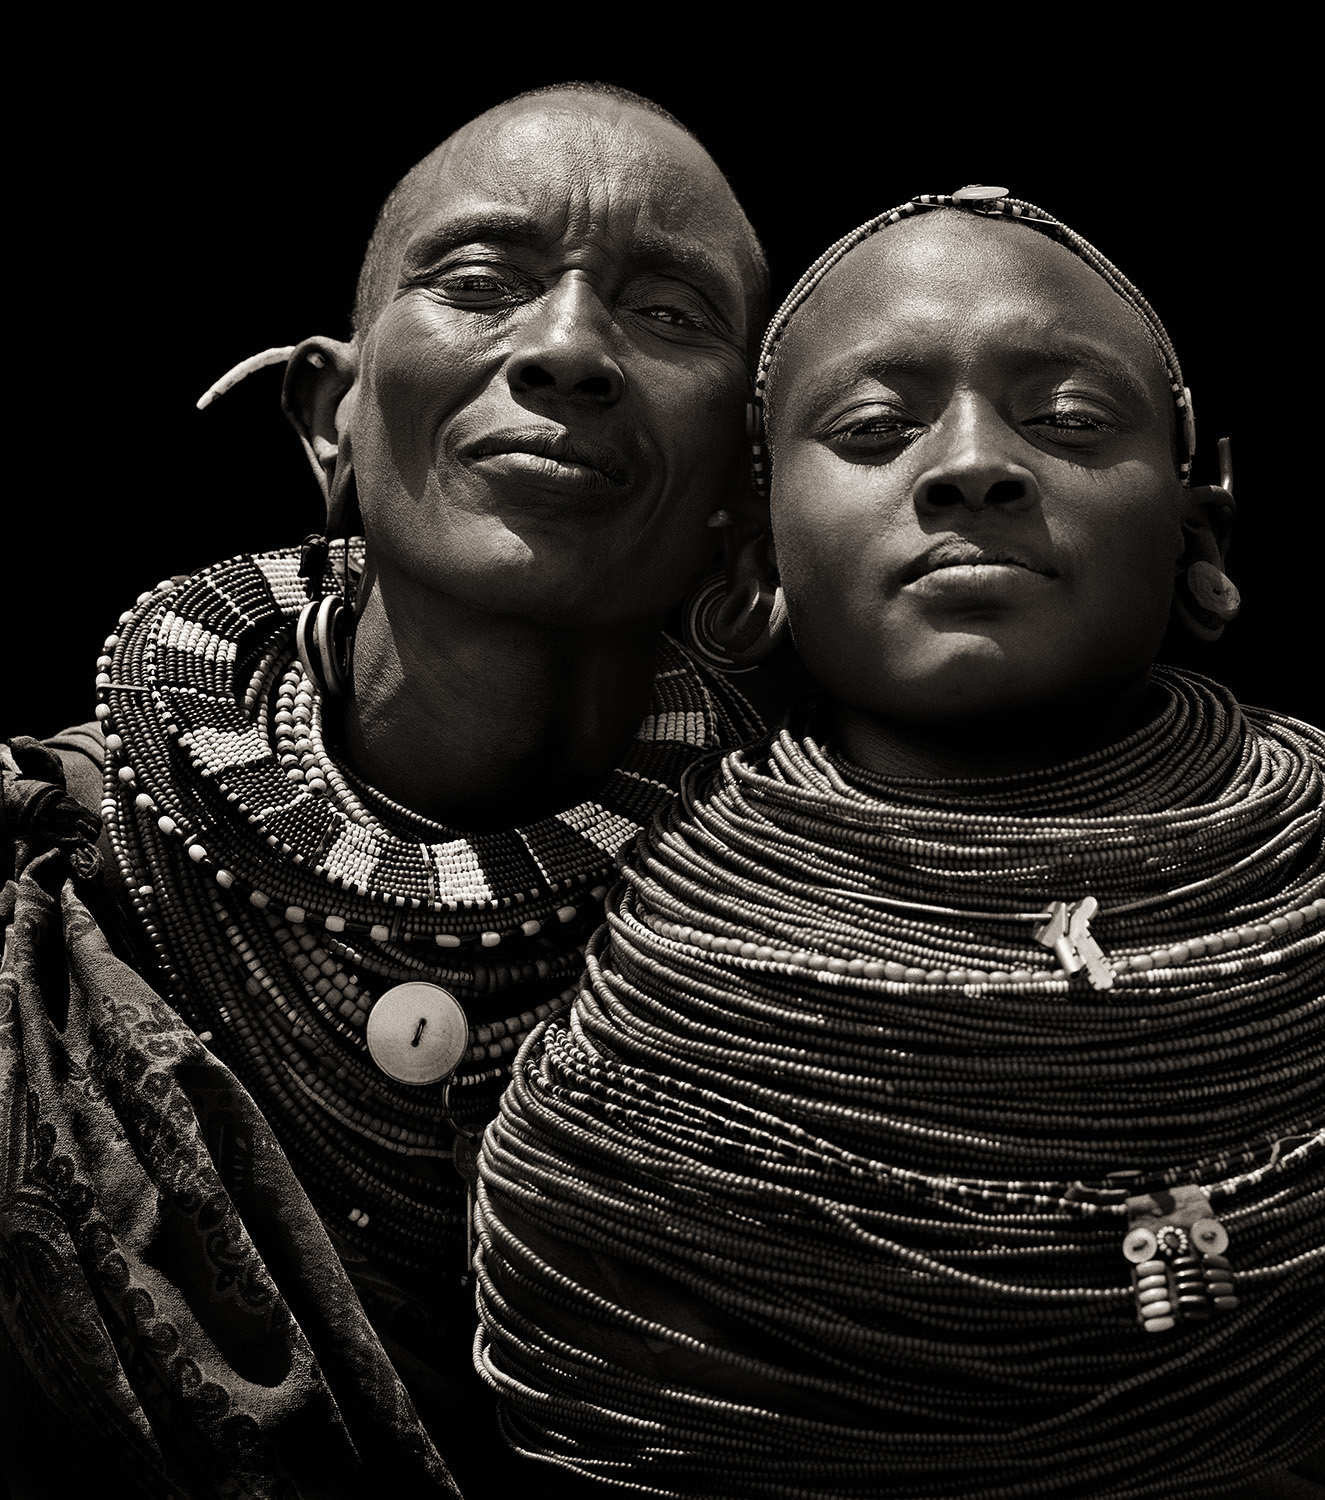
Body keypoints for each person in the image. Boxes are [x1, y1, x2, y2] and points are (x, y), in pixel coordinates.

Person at [474, 190, 1325, 1497]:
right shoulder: (640, 1029)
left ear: (1205, 517)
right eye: (873, 428)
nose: (972, 465)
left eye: (1069, 418)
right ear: (752, 542)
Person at [0, 82, 774, 1499]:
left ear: (745, 492)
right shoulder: (51, 884)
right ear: (327, 419)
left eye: (669, 314)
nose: (567, 350)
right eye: (481, 284)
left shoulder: (810, 949)